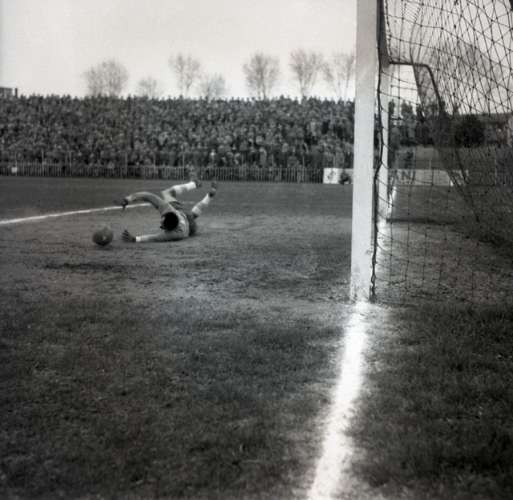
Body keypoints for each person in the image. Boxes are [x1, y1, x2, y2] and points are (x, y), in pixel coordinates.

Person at [118, 179, 217, 243]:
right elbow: (148, 196)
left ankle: (195, 185)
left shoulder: (176, 234)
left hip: (187, 223)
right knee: (191, 215)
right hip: (186, 220)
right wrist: (128, 199)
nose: (160, 222)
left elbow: (156, 237)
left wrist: (135, 239)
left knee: (191, 214)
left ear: (169, 230)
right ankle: (206, 194)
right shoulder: (167, 210)